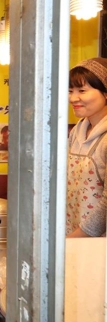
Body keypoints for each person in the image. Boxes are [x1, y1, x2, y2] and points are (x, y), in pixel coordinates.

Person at [65, 58, 107, 236]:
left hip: (96, 244)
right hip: (71, 230)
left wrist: (78, 236)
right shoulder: (76, 132)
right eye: (70, 91)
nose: (73, 98)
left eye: (82, 90)